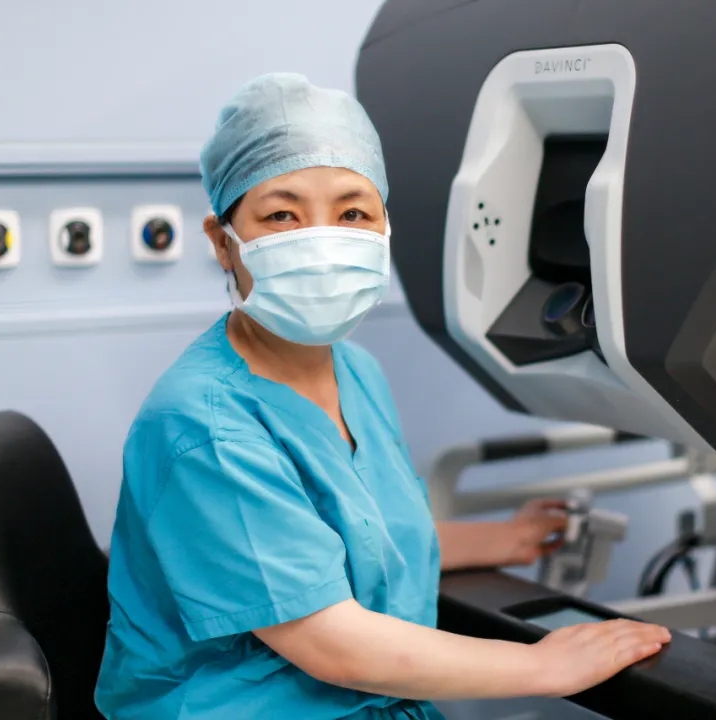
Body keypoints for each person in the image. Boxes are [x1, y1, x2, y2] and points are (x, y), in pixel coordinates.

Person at [94, 72, 671, 720]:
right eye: (282, 215)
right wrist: (543, 666)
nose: (321, 240)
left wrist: (502, 539)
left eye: (352, 213)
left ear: (383, 228)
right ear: (223, 243)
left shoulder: (356, 372)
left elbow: (356, 538)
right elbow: (331, 643)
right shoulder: (204, 425)